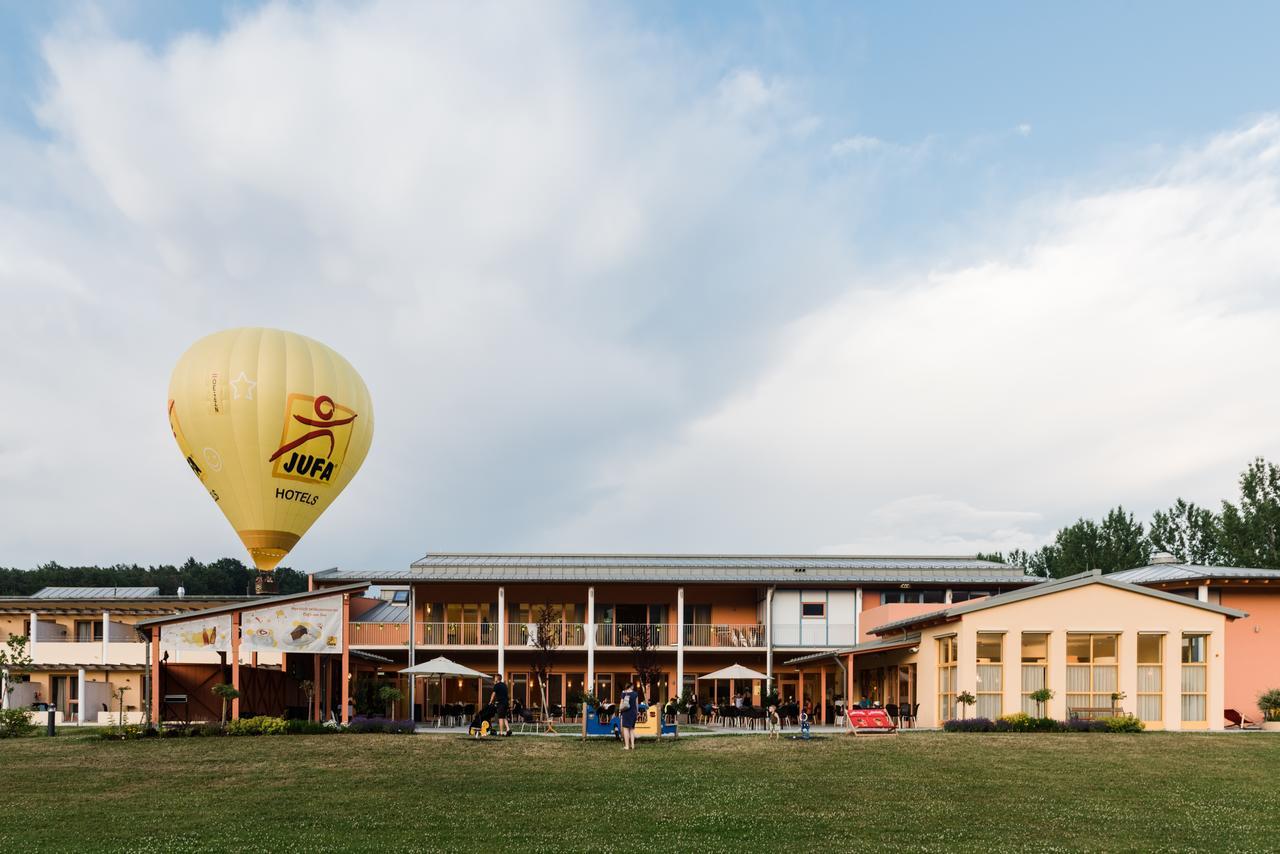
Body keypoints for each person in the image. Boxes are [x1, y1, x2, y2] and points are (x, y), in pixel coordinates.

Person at [618, 680, 641, 750]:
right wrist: (637, 713)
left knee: (625, 729)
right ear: (631, 686)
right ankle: (633, 746)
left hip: (626, 713)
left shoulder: (623, 694)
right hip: (633, 713)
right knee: (632, 729)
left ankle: (627, 746)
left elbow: (621, 704)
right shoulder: (635, 694)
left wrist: (619, 711)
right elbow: (636, 705)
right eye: (633, 686)